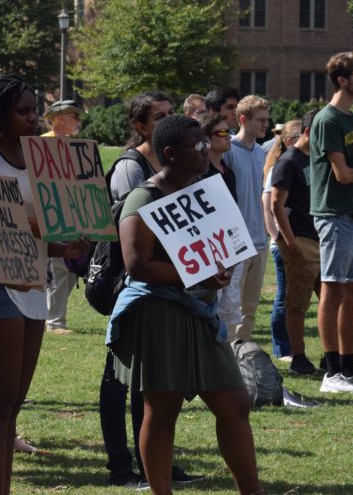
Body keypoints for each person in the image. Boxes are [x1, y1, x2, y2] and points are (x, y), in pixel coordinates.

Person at [108, 115, 262, 495]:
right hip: (158, 313)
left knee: (235, 404)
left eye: (206, 143)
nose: (206, 149)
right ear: (171, 154)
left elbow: (216, 249)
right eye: (198, 145)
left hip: (200, 314)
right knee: (161, 411)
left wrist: (218, 271)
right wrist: (195, 274)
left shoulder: (205, 191)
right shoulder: (144, 197)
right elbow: (137, 264)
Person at [0, 74, 89, 495]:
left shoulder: (44, 157)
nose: (34, 118)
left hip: (36, 289)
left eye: (35, 109)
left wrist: (67, 241)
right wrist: (44, 228)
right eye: (24, 111)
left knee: (13, 406)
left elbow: (41, 236)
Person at [101, 91, 198, 489]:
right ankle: (121, 467)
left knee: (153, 385)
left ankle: (155, 465)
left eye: (171, 114)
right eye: (159, 116)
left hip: (167, 285)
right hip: (133, 289)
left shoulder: (179, 169)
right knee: (119, 379)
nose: (167, 120)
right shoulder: (132, 169)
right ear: (141, 127)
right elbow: (137, 239)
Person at [310, 52, 353, 393]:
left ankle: (350, 370)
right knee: (333, 289)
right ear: (342, 79)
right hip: (333, 216)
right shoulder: (328, 120)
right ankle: (332, 370)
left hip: (352, 214)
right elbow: (343, 174)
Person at [270, 114, 322, 375]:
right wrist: (289, 242)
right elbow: (276, 204)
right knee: (297, 303)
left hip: (321, 238)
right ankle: (298, 356)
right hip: (299, 238)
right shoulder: (289, 161)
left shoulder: (317, 158)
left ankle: (331, 355)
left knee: (329, 301)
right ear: (307, 131)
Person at [219, 95, 270, 343]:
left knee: (250, 309)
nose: (265, 125)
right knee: (231, 308)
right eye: (260, 120)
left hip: (260, 241)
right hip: (236, 243)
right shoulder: (227, 150)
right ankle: (226, 363)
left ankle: (243, 362)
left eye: (267, 120)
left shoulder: (261, 152)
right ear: (243, 119)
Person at [41, 99, 86, 334]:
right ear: (59, 118)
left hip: (73, 214)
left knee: (72, 266)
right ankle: (55, 321)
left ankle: (54, 316)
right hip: (53, 214)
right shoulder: (42, 144)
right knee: (59, 267)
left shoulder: (73, 146)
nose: (78, 121)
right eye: (74, 116)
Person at [262, 120, 301, 361]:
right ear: (288, 141)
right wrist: (277, 237)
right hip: (282, 242)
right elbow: (268, 208)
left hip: (298, 238)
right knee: (284, 294)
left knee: (294, 295)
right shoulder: (280, 167)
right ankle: (281, 346)